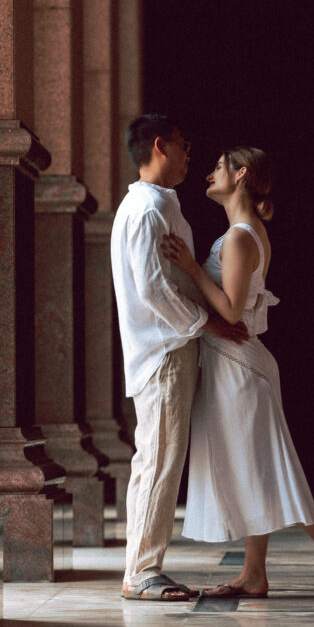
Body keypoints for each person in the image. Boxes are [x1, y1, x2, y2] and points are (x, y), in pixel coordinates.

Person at [160, 147, 314, 598]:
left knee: (267, 468)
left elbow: (229, 310)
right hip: (238, 365)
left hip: (239, 367)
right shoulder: (243, 233)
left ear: (240, 174)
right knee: (253, 468)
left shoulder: (240, 237)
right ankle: (253, 573)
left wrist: (189, 266)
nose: (208, 174)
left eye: (218, 168)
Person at [112, 114, 248, 601]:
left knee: (157, 459)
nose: (191, 154)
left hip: (166, 349)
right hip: (164, 352)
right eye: (184, 144)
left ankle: (141, 567)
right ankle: (142, 572)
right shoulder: (148, 210)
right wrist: (209, 323)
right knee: (158, 460)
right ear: (160, 145)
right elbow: (153, 290)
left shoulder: (156, 206)